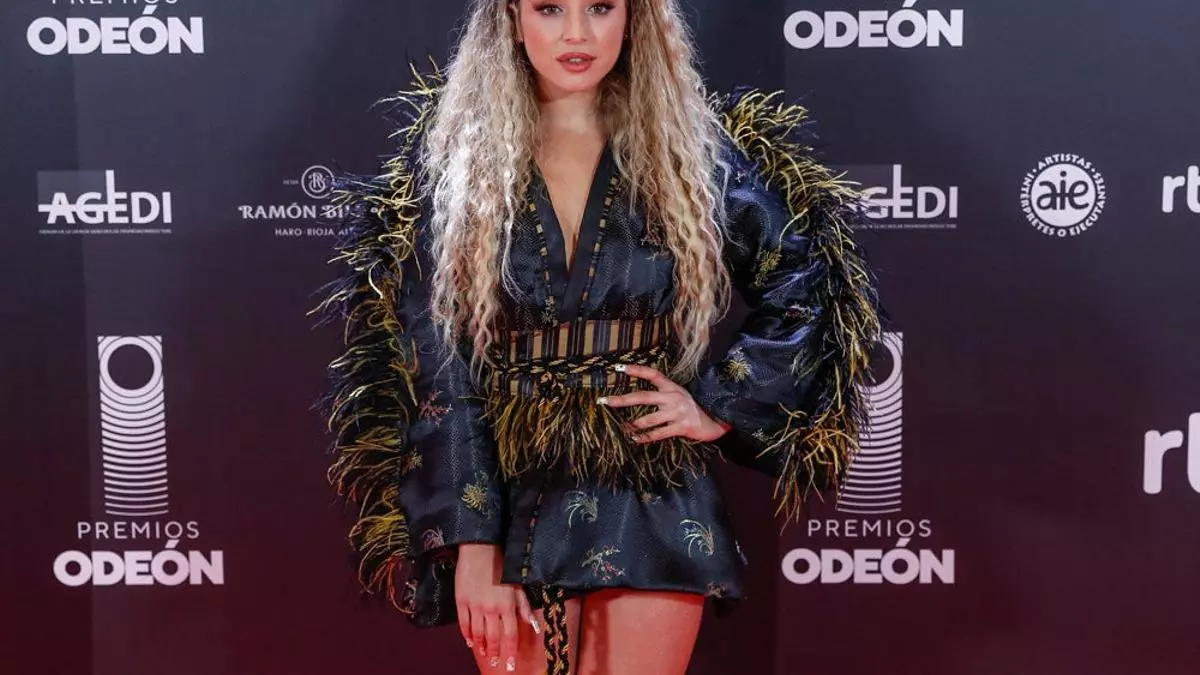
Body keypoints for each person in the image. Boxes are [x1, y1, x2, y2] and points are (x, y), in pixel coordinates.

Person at [317, 0, 881, 673]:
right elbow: (434, 359)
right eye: (550, 9)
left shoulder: (687, 147)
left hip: (651, 483)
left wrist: (717, 404)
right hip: (508, 487)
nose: (577, 33)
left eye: (601, 7)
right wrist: (473, 541)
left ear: (635, 17)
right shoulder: (453, 159)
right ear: (511, 19)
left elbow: (805, 282)